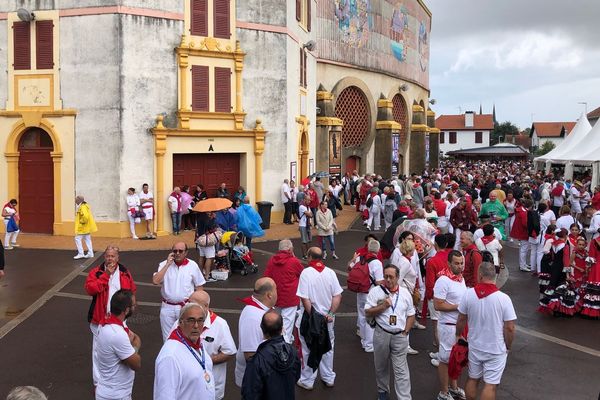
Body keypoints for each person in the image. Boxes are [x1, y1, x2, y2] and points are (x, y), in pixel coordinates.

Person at [456, 262, 517, 400]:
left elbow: (461, 319)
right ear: (495, 276)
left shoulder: (468, 294)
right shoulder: (504, 299)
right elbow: (510, 327)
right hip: (495, 348)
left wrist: (458, 335)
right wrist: (508, 345)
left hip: (475, 345)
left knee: (473, 378)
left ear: (480, 275)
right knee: (490, 385)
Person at [84, 245, 136, 386]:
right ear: (104, 257)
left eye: (113, 256)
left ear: (118, 258)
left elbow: (131, 290)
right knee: (98, 352)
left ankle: (118, 379)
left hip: (120, 319)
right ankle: (98, 383)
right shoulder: (96, 272)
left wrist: (131, 308)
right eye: (107, 256)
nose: (110, 259)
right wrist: (106, 275)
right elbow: (90, 289)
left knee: (122, 347)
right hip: (100, 319)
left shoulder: (124, 272)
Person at [365, 264, 415, 400]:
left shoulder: (405, 294)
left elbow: (411, 314)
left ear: (398, 277)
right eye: (386, 276)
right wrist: (383, 306)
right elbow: (367, 311)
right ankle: (383, 392)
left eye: (391, 277)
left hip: (399, 336)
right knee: (381, 366)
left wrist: (406, 331)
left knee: (401, 370)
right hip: (382, 333)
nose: (388, 279)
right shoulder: (375, 291)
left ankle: (404, 398)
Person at [296, 247, 343, 390]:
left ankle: (307, 380)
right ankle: (328, 377)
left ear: (310, 257)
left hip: (310, 319)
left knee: (307, 348)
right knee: (328, 347)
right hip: (327, 319)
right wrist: (330, 314)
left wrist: (314, 316)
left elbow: (305, 298)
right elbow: (337, 295)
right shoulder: (330, 273)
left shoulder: (306, 273)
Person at [154, 303, 215, 400]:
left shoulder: (197, 343)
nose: (196, 326)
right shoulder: (170, 356)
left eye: (200, 321)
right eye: (191, 320)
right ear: (180, 322)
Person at [241, 310, 301, 400]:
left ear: (262, 328)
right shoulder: (292, 351)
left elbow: (250, 392)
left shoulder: (258, 359)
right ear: (282, 329)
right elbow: (296, 376)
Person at [152, 242, 206, 341]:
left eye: (180, 251)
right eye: (175, 251)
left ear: (186, 253)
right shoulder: (164, 264)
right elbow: (155, 281)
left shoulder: (192, 265)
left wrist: (199, 306)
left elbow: (199, 287)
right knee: (168, 338)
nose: (177, 253)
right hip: (167, 307)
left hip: (186, 307)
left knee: (187, 336)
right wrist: (168, 264)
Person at [94, 290, 141, 400]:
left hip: (109, 391)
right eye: (134, 305)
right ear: (126, 310)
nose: (135, 307)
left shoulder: (107, 324)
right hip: (116, 395)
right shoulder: (118, 334)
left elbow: (135, 338)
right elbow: (136, 364)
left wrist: (128, 352)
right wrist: (135, 348)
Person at [433, 250, 467, 400]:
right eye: (457, 263)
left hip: (459, 325)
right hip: (447, 326)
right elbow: (438, 305)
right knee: (445, 359)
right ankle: (443, 392)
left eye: (462, 263)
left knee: (455, 359)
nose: (460, 266)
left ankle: (453, 388)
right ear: (449, 263)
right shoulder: (443, 280)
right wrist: (459, 306)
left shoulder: (461, 279)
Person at [192, 290, 237, 400]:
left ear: (205, 306)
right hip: (189, 387)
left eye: (193, 304)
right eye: (188, 302)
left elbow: (230, 352)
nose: (188, 306)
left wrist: (205, 361)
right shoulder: (181, 322)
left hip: (212, 387)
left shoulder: (220, 324)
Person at [235, 277, 278, 386]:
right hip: (257, 380)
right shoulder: (253, 318)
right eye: (276, 289)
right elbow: (250, 355)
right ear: (269, 295)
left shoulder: (259, 311)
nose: (278, 292)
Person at [263, 239, 305, 344]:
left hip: (275, 297)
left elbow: (266, 277)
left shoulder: (272, 260)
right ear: (290, 249)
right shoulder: (294, 261)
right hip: (290, 298)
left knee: (277, 322)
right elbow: (303, 274)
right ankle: (284, 346)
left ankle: (277, 343)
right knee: (287, 324)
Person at [353, 239, 385, 353]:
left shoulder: (360, 258)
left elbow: (350, 267)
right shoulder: (377, 263)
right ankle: (368, 344)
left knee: (361, 315)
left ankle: (363, 338)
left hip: (360, 291)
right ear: (378, 250)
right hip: (371, 293)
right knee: (370, 318)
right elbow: (379, 282)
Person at [511, 198, 532, 272]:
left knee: (523, 249)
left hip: (521, 232)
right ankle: (522, 265)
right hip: (523, 232)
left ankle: (523, 264)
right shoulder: (524, 212)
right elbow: (525, 224)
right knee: (524, 249)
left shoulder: (521, 210)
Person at [75, 195, 97, 259]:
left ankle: (81, 253)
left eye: (76, 200)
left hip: (83, 227)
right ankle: (90, 253)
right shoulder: (85, 206)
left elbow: (85, 217)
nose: (75, 201)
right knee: (87, 239)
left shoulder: (82, 207)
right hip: (86, 227)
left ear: (79, 200)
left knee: (77, 238)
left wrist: (82, 222)